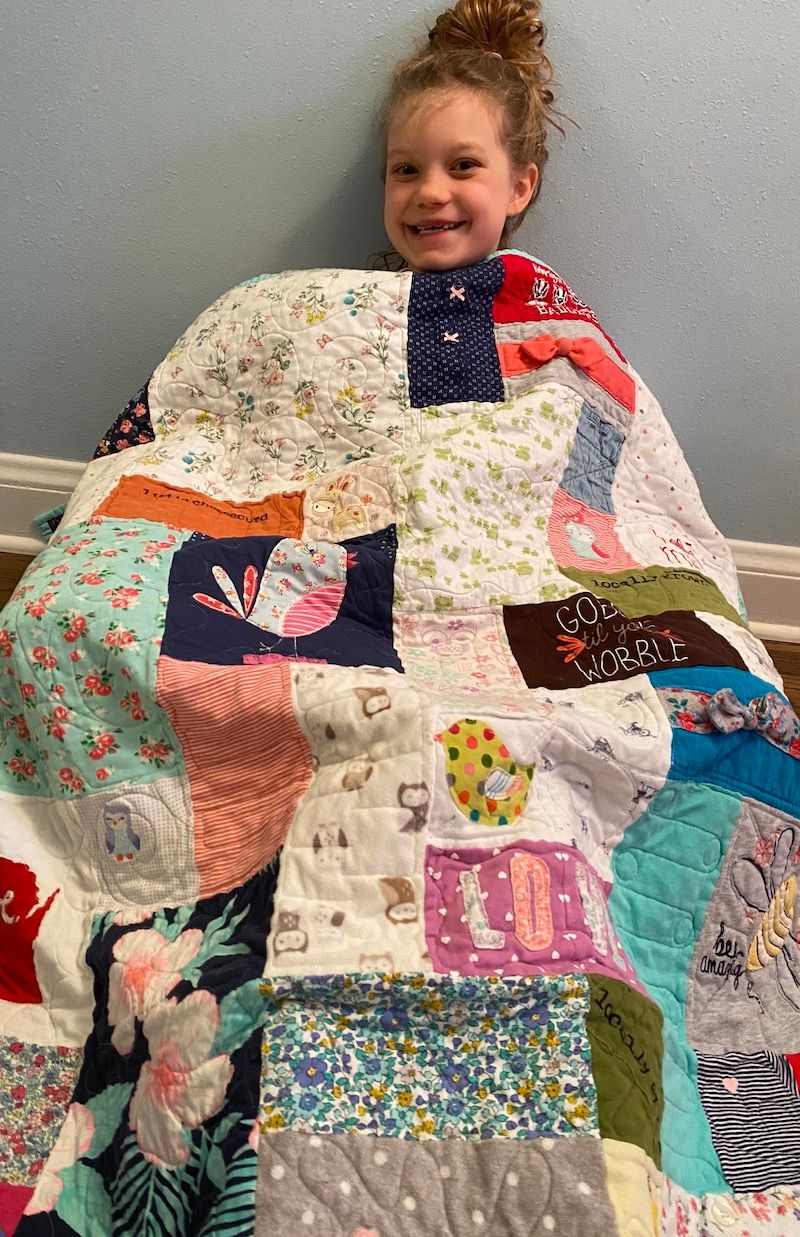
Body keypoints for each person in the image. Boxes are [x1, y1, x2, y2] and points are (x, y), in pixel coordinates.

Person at [379, 0, 564, 273]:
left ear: (519, 187)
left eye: (464, 165)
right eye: (406, 169)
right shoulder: (342, 307)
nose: (430, 193)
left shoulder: (548, 309)